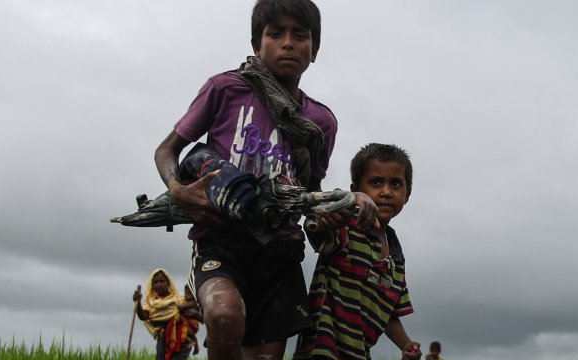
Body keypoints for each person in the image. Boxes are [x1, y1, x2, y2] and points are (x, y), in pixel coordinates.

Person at [151, 0, 377, 359]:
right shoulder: (225, 89)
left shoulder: (321, 122)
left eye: (299, 36)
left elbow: (309, 193)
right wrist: (178, 191)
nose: (288, 43)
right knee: (224, 317)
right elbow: (167, 151)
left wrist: (330, 214)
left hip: (280, 251)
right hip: (220, 240)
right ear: (258, 44)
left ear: (313, 50)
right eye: (276, 34)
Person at [295, 143, 421, 360]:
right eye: (376, 182)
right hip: (322, 350)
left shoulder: (396, 259)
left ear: (407, 194)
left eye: (396, 184)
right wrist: (330, 213)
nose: (386, 192)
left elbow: (390, 315)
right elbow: (317, 223)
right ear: (357, 190)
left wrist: (405, 344)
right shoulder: (347, 227)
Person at [132, 268, 193, 360]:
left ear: (168, 282)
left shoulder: (179, 298)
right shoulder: (151, 303)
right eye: (156, 282)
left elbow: (193, 309)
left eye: (162, 281)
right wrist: (138, 303)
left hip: (180, 340)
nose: (159, 284)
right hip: (162, 339)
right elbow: (143, 316)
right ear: (152, 285)